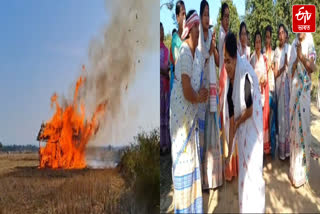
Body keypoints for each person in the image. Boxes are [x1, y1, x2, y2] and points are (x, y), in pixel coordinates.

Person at [170, 10, 207, 213]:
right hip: (181, 117)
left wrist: (202, 94)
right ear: (191, 29)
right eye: (197, 28)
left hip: (191, 116)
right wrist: (199, 97)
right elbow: (186, 90)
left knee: (193, 163)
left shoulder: (198, 55)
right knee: (184, 165)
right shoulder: (184, 52)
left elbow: (199, 85)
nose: (199, 32)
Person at [223, 32, 265, 213]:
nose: (226, 66)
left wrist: (239, 123)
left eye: (228, 61)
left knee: (253, 175)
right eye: (223, 61)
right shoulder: (229, 87)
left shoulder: (245, 74)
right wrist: (229, 153)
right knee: (244, 176)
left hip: (252, 132)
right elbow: (232, 122)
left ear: (235, 58)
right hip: (242, 132)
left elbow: (248, 111)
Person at [197, 0, 222, 190]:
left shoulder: (211, 38)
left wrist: (213, 46)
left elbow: (217, 61)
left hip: (211, 90)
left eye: (208, 14)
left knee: (213, 131)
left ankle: (215, 179)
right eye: (204, 14)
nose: (207, 18)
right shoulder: (198, 38)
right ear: (200, 17)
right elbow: (200, 62)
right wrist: (208, 49)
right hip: (200, 92)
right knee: (203, 136)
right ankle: (204, 182)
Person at [289, 33, 317, 188]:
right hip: (294, 94)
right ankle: (294, 171)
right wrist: (294, 63)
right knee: (294, 133)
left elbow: (312, 67)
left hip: (305, 95)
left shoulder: (310, 41)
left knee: (304, 132)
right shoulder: (293, 44)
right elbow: (290, 72)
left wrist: (301, 57)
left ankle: (302, 174)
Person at [218, 2, 238, 182]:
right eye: (224, 16)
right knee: (226, 124)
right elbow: (221, 63)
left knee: (231, 123)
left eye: (228, 17)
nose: (227, 20)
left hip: (230, 83)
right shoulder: (220, 36)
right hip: (223, 84)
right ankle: (227, 167)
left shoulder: (229, 36)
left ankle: (231, 165)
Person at [250, 31, 270, 155]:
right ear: (254, 43)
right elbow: (250, 78)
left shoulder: (264, 58)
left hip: (262, 94)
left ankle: (263, 148)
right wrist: (257, 80)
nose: (258, 44)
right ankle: (255, 149)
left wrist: (263, 79)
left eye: (259, 42)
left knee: (262, 122)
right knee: (255, 123)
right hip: (254, 95)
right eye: (256, 42)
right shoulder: (252, 58)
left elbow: (266, 76)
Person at [274, 24, 291, 160]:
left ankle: (289, 151)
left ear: (286, 34)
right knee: (281, 120)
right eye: (279, 33)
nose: (281, 36)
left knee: (288, 119)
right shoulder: (276, 52)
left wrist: (288, 65)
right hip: (280, 90)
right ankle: (281, 152)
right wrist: (283, 66)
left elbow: (293, 69)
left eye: (282, 33)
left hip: (289, 89)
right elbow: (274, 74)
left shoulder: (290, 49)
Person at [263, 25, 277, 158]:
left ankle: (273, 151)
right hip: (265, 92)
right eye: (266, 37)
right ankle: (266, 149)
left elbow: (276, 71)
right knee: (265, 122)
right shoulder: (262, 54)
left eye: (269, 37)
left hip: (273, 90)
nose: (267, 39)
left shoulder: (274, 53)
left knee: (272, 122)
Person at [160, 22, 170, 154]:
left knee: (165, 115)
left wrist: (163, 70)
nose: (161, 32)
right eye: (160, 30)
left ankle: (166, 145)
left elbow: (166, 66)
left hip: (165, 87)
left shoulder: (166, 50)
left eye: (162, 30)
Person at [172, 1, 186, 66]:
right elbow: (176, 64)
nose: (185, 17)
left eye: (185, 14)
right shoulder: (175, 39)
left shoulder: (189, 35)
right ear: (177, 18)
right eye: (183, 14)